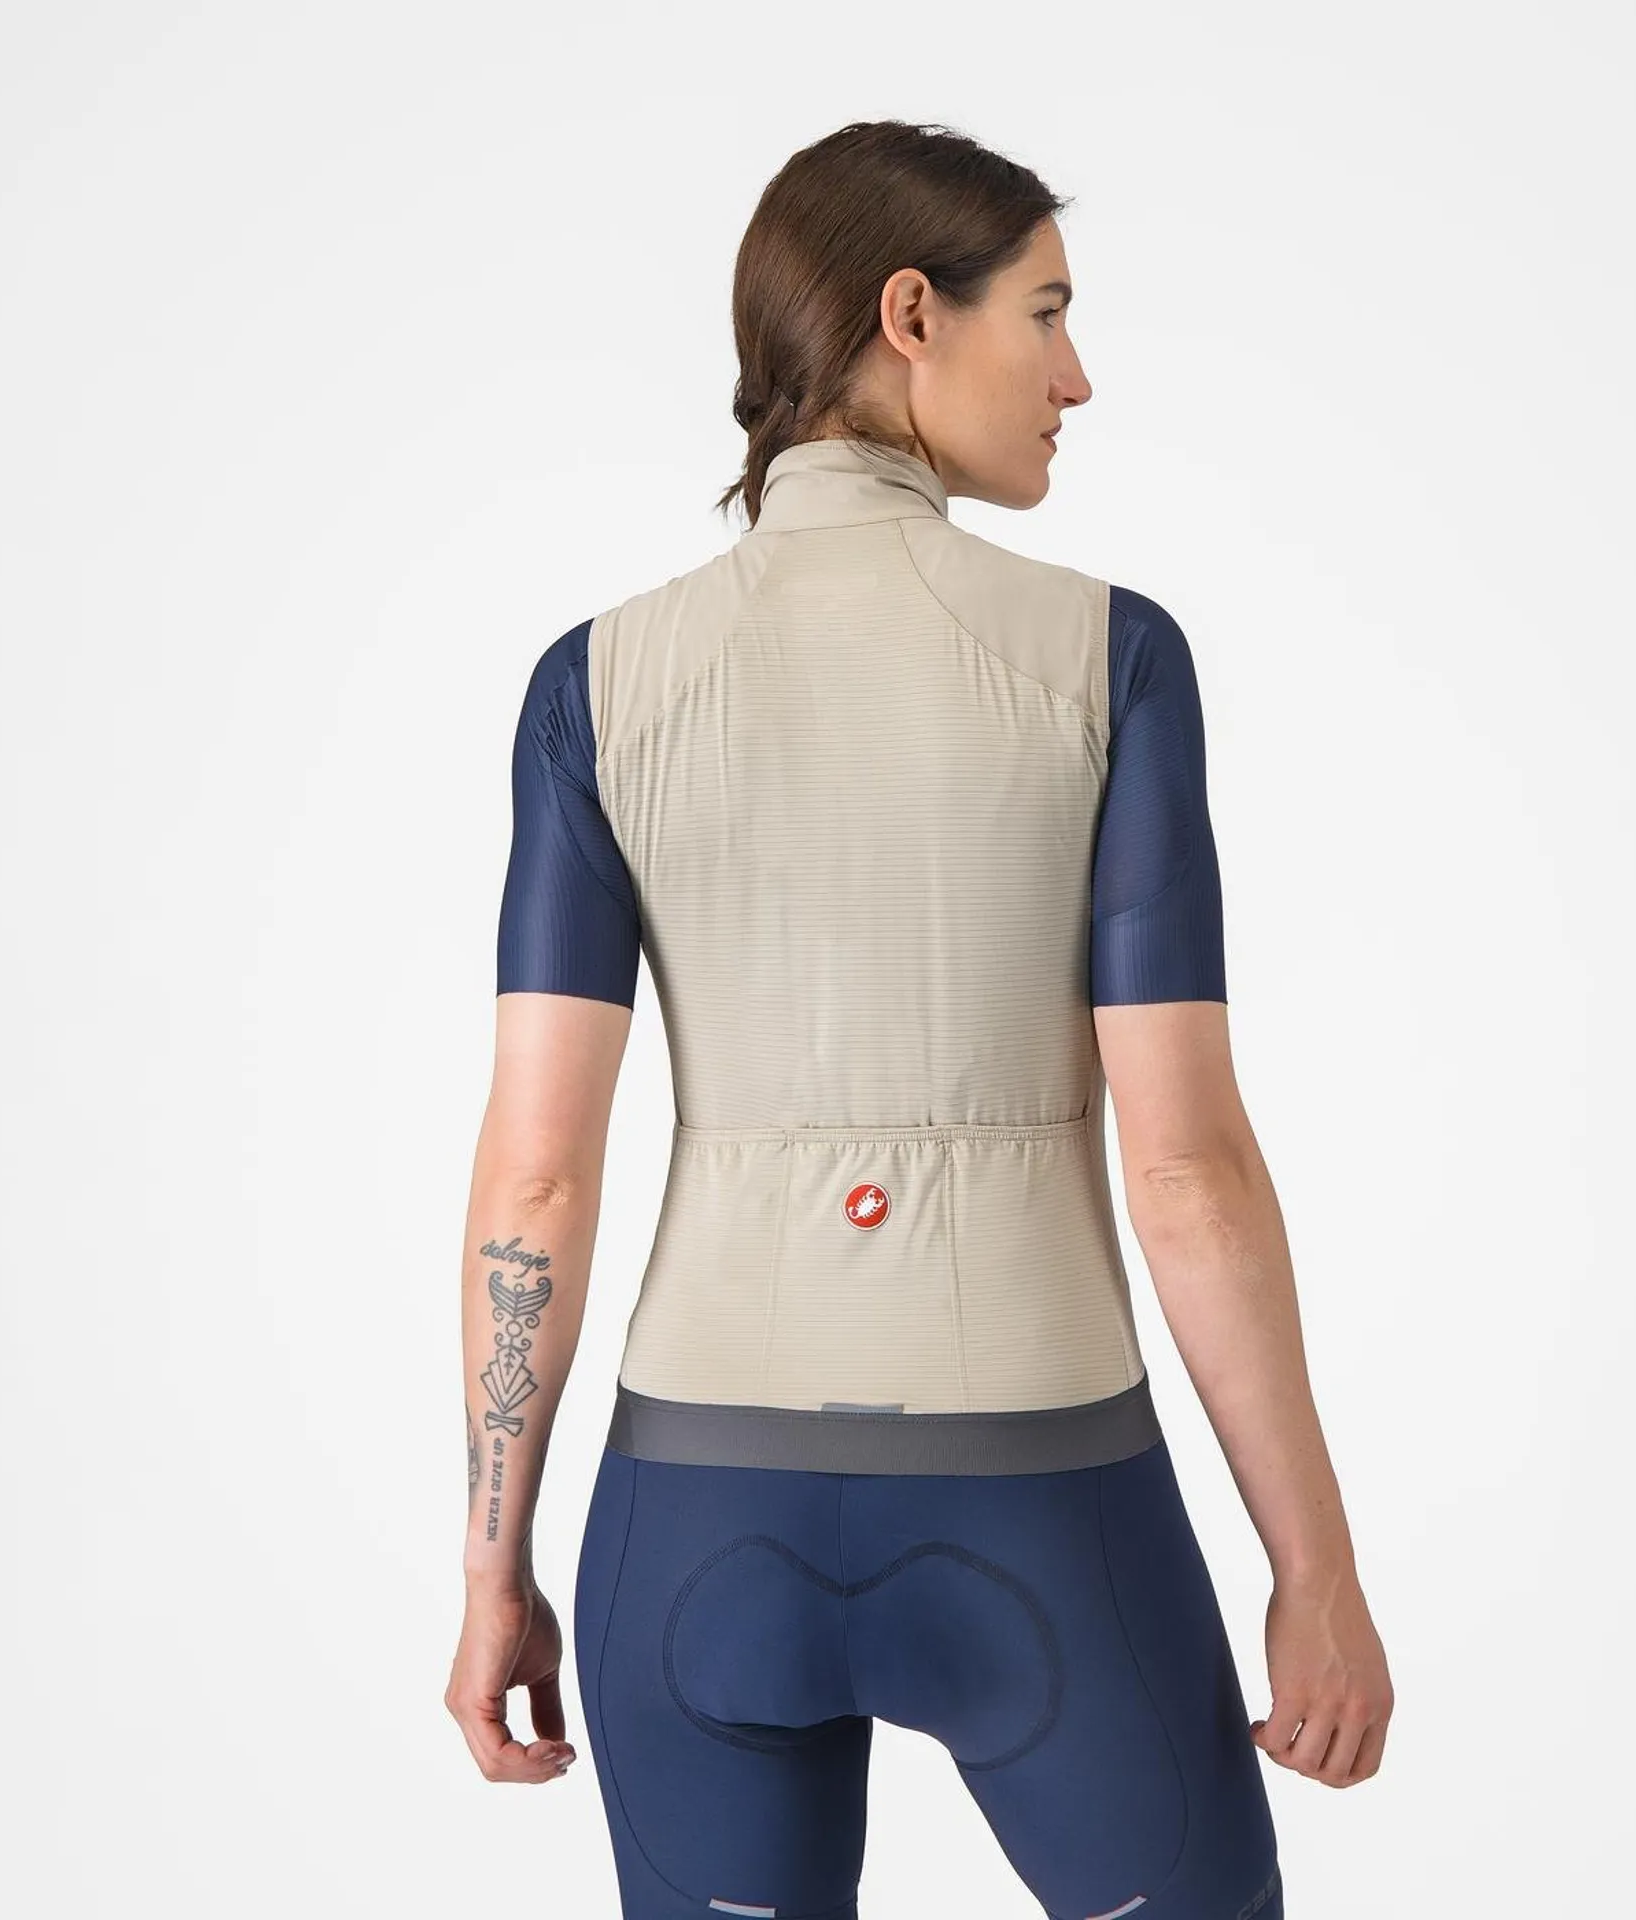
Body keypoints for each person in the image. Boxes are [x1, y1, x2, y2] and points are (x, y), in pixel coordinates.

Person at [445, 119, 1392, 1920]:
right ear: (909, 315)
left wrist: (494, 1567)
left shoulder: (596, 687)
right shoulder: (1111, 660)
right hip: (1044, 1502)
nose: (1076, 377)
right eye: (1046, 313)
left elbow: (535, 1182)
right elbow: (1188, 1174)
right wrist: (1315, 1570)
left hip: (695, 1521)